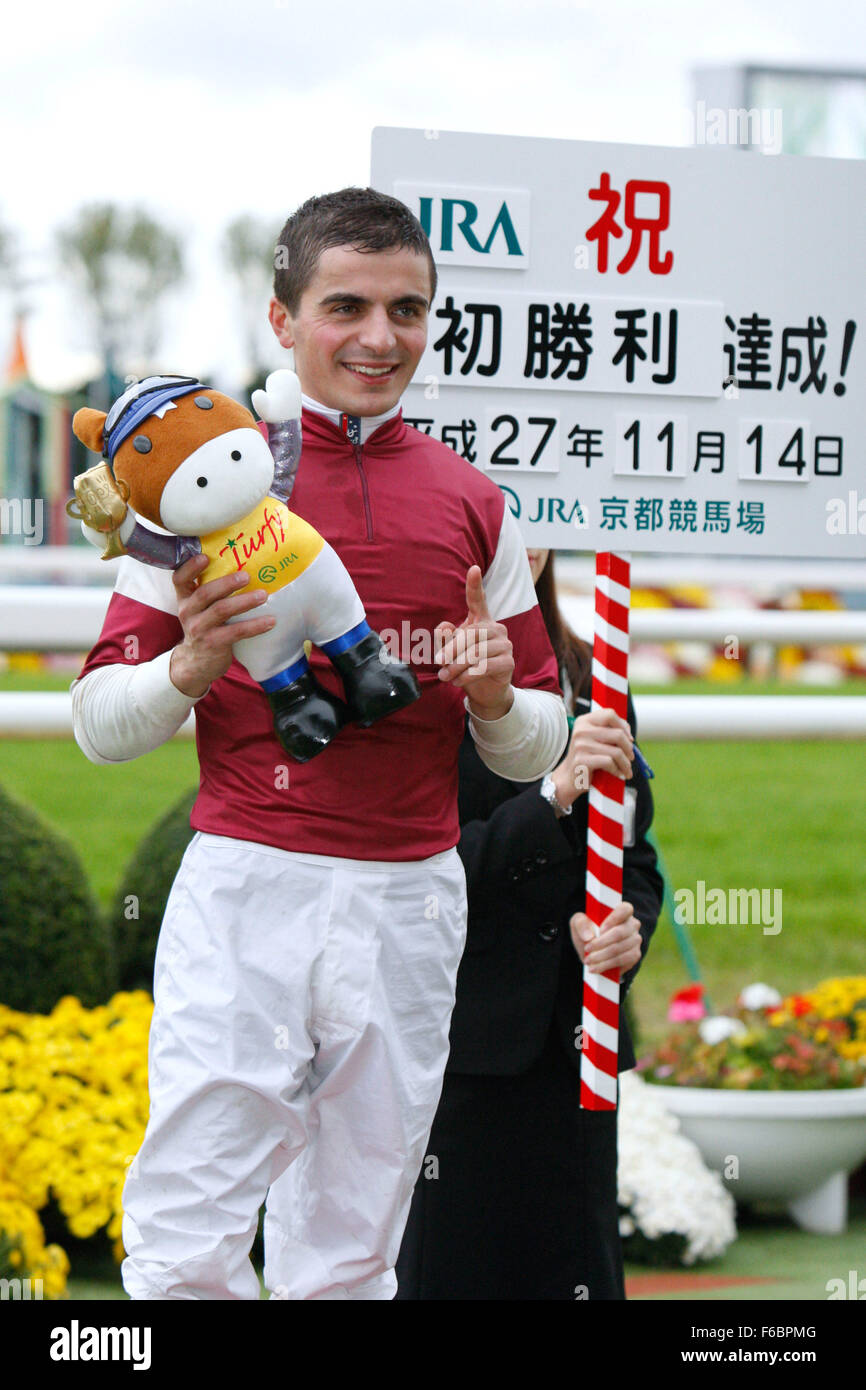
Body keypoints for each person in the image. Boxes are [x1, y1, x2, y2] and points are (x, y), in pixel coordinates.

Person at [70, 188, 568, 1301]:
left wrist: (492, 699)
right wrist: (188, 668)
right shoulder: (188, 482)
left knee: (350, 1245)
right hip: (249, 883)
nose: (381, 338)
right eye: (346, 306)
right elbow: (100, 726)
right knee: (189, 1229)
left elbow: (539, 742)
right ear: (281, 318)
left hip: (411, 899)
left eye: (408, 309)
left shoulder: (478, 503)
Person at [395, 547, 664, 1301]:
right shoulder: (410, 666)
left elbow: (633, 856)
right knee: (446, 1270)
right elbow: (425, 868)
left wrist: (624, 929)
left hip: (575, 1042)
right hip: (456, 1043)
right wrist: (550, 794)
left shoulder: (593, 673)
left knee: (577, 1270)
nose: (525, 532)